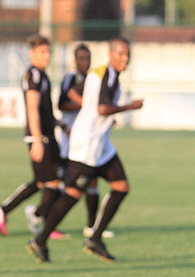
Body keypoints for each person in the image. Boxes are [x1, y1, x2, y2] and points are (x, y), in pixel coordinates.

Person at [27, 37, 143, 263]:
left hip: (102, 145)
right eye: (120, 54)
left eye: (128, 55)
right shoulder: (105, 74)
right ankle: (40, 240)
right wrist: (129, 107)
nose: (125, 59)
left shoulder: (104, 74)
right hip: (87, 146)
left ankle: (95, 238)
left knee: (121, 186)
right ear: (110, 54)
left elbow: (87, 100)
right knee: (71, 195)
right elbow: (101, 108)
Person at [0, 34, 66, 238]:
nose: (47, 55)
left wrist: (59, 123)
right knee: (52, 183)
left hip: (47, 135)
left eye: (49, 51)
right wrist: (38, 139)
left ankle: (6, 210)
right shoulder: (33, 76)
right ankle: (40, 218)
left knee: (44, 182)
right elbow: (32, 109)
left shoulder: (41, 75)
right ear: (32, 54)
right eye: (42, 52)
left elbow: (43, 111)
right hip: (41, 138)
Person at [58, 44, 114, 240]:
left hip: (89, 139)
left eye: (87, 58)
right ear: (75, 60)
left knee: (91, 183)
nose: (85, 62)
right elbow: (62, 102)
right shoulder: (71, 78)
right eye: (81, 58)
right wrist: (87, 106)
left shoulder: (91, 78)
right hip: (70, 138)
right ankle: (42, 217)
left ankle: (91, 226)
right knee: (64, 185)